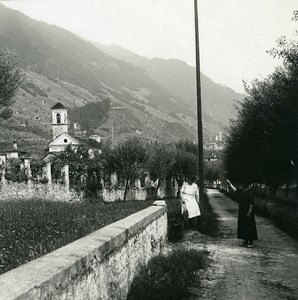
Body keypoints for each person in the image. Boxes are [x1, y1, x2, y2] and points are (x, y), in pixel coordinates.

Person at [226, 179, 258, 248]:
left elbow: (251, 203)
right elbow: (235, 190)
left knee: (249, 227)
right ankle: (246, 241)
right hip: (242, 211)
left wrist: (249, 212)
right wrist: (230, 183)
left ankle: (251, 242)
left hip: (248, 212)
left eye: (244, 184)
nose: (242, 185)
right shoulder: (243, 191)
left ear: (247, 185)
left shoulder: (250, 192)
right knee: (243, 226)